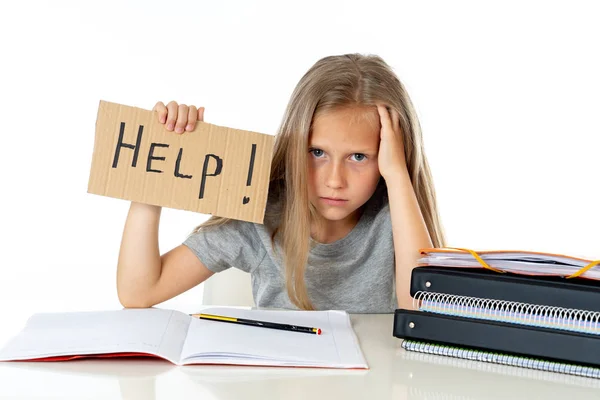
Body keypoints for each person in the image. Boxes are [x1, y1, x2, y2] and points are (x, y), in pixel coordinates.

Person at [116, 53, 445, 313]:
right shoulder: (261, 215)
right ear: (293, 146)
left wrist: (400, 178)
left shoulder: (396, 215)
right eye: (317, 152)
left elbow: (424, 307)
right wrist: (152, 178)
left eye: (358, 157)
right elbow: (139, 292)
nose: (334, 181)